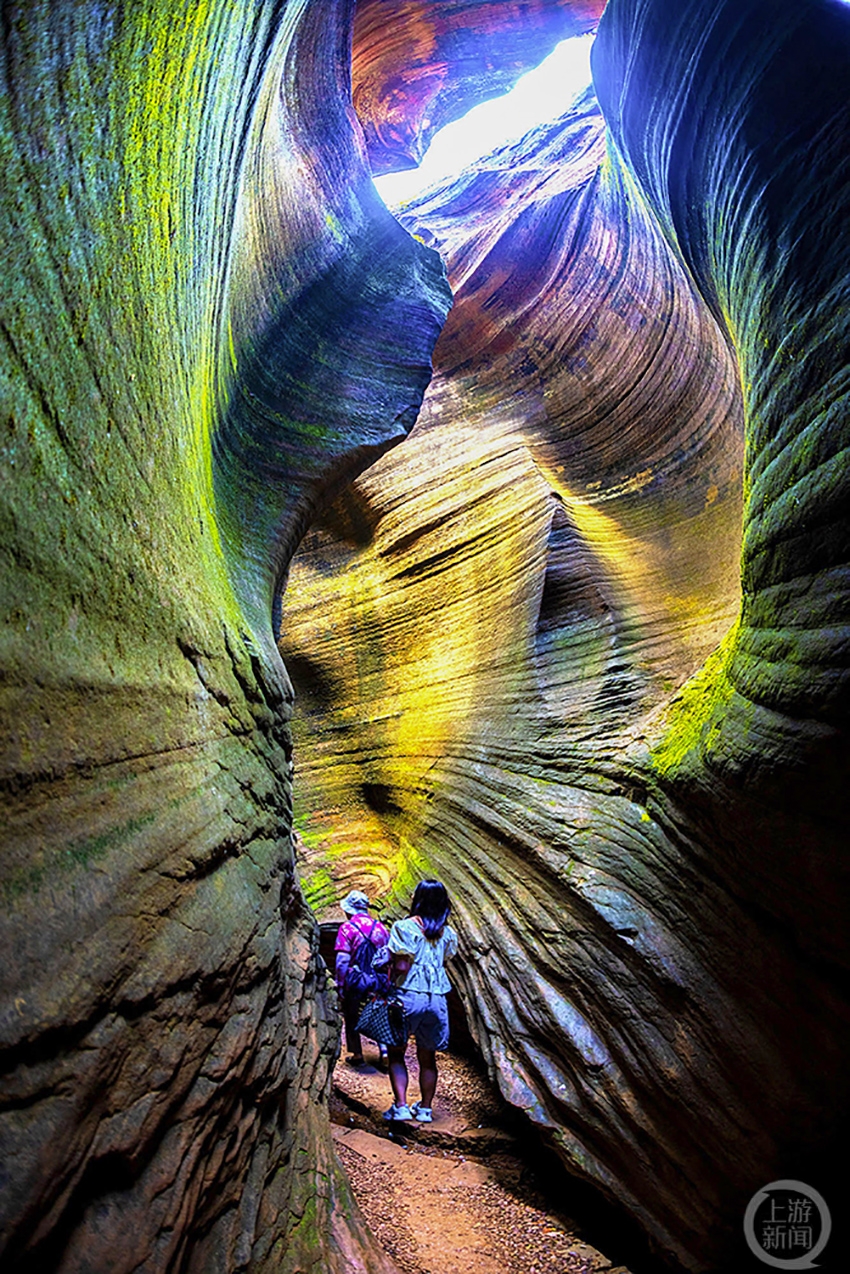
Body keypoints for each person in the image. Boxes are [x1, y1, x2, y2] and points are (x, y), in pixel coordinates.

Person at [383, 879, 458, 1123]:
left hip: (408, 995)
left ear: (418, 899)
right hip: (436, 999)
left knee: (397, 1053)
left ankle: (401, 1106)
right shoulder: (448, 934)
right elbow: (445, 958)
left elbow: (402, 963)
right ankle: (425, 1109)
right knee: (428, 1058)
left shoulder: (404, 927)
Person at [334, 889, 390, 1066]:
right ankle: (384, 1051)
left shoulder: (347, 928)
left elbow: (342, 960)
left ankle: (357, 1053)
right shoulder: (381, 928)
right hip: (379, 980)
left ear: (349, 910)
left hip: (356, 981)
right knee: (380, 1013)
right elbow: (388, 957)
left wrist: (340, 984)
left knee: (351, 1014)